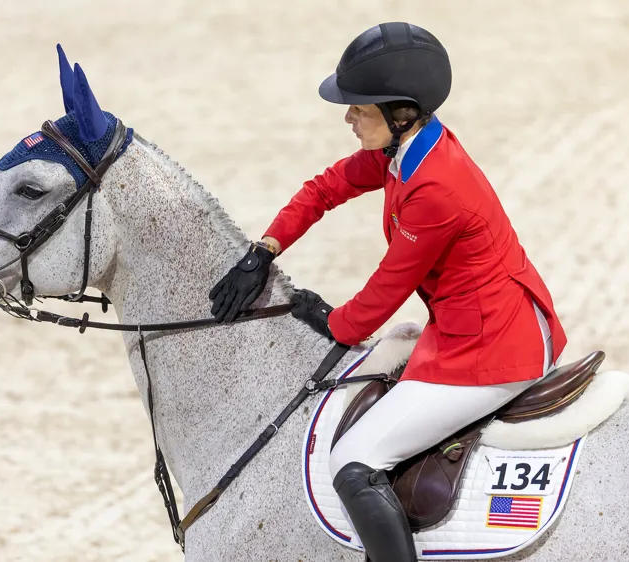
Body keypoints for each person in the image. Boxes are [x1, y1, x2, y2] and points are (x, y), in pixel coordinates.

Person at [208, 22, 567, 562]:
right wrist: (264, 250)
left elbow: (389, 283)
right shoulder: (410, 148)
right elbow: (325, 188)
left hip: (493, 347)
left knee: (354, 462)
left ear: (399, 113)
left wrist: (330, 322)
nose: (348, 117)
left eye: (358, 108)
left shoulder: (437, 187)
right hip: (471, 322)